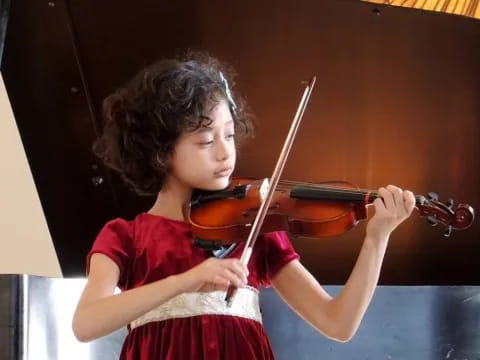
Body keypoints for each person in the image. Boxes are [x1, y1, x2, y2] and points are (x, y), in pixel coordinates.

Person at [72, 51, 415, 359]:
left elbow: (338, 323)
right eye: (206, 141)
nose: (225, 153)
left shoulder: (256, 227)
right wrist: (184, 281)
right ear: (160, 154)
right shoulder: (126, 236)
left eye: (230, 135)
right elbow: (85, 323)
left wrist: (377, 237)